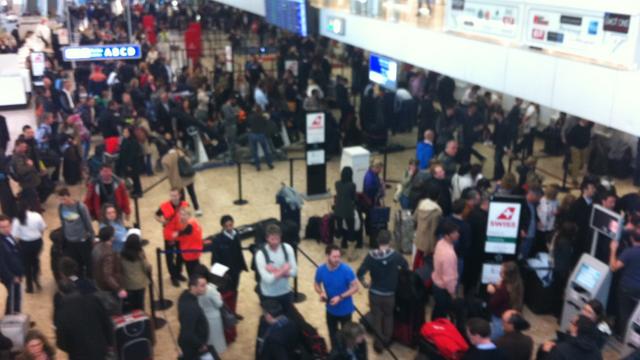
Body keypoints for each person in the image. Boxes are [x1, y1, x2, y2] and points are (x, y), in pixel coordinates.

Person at [357, 230, 408, 353]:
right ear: (390, 241)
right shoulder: (396, 256)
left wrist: (365, 284)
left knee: (377, 318)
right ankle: (387, 340)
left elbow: (360, 273)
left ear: (377, 241)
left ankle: (378, 343)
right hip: (390, 294)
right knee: (388, 316)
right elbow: (406, 266)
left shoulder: (371, 256)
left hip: (374, 293)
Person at [314, 244, 360, 350]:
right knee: (332, 335)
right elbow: (316, 284)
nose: (337, 259)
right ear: (327, 256)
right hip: (330, 310)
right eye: (334, 257)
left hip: (345, 310)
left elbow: (356, 287)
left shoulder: (346, 270)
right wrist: (321, 292)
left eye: (339, 256)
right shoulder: (321, 270)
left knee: (347, 337)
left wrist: (340, 297)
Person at [55, 286, 114, 360]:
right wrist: (110, 343)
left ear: (61, 294)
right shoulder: (93, 300)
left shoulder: (61, 314)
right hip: (101, 350)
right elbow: (107, 323)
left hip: (79, 356)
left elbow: (62, 344)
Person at [208, 215, 248, 319]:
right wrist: (223, 274)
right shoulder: (218, 240)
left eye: (231, 225)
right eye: (227, 226)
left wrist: (240, 267)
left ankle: (233, 312)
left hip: (236, 271)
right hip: (226, 274)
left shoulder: (236, 235)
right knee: (225, 294)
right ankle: (225, 314)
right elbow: (214, 260)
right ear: (223, 227)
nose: (229, 228)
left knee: (234, 291)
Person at [255, 224, 298, 313]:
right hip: (268, 295)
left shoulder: (287, 248)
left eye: (277, 239)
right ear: (267, 238)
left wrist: (274, 271)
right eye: (272, 239)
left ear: (281, 237)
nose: (275, 242)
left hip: (286, 292)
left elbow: (294, 272)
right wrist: (284, 270)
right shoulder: (260, 254)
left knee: (287, 321)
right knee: (272, 323)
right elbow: (268, 279)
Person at [178, 273, 217, 360]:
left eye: (206, 285)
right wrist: (200, 345)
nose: (206, 288)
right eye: (202, 286)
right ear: (193, 287)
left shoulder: (185, 295)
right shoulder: (191, 308)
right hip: (193, 347)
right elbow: (187, 334)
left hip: (192, 343)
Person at [58, 188, 95, 279]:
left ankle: (90, 280)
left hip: (82, 239)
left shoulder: (80, 207)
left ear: (69, 196)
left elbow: (88, 222)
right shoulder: (61, 207)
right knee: (75, 264)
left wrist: (91, 236)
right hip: (70, 241)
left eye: (64, 199)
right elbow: (63, 222)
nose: (63, 201)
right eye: (60, 199)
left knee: (87, 262)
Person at [155, 188, 190, 286]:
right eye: (171, 195)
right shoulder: (164, 206)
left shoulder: (184, 204)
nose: (173, 197)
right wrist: (162, 221)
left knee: (180, 255)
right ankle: (173, 276)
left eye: (175, 195)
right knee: (170, 257)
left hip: (181, 233)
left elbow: (188, 215)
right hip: (169, 234)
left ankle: (178, 273)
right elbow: (156, 215)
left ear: (179, 195)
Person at [609, 231, 640, 335]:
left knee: (624, 314)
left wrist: (613, 250)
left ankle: (623, 337)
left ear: (631, 238)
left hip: (626, 287)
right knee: (635, 317)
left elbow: (613, 267)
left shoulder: (628, 252)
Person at [11, 202, 46, 293]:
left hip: (24, 244)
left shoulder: (17, 219)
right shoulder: (37, 216)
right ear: (29, 206)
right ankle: (36, 278)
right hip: (37, 242)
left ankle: (29, 286)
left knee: (26, 265)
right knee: (35, 260)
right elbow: (42, 229)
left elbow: (14, 236)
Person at [486, 261, 524, 340]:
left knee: (495, 338)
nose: (499, 273)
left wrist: (493, 292)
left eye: (502, 272)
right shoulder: (518, 284)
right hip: (510, 316)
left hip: (499, 317)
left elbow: (492, 304)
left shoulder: (503, 289)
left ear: (507, 275)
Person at [195, 265, 227, 356]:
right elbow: (219, 304)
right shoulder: (210, 290)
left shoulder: (194, 287)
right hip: (213, 318)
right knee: (215, 342)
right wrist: (220, 298)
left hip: (202, 317)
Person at [431, 221, 460, 320]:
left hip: (436, 283)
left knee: (437, 311)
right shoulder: (449, 255)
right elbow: (449, 278)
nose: (458, 234)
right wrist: (453, 294)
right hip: (444, 289)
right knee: (442, 315)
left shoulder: (440, 243)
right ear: (447, 235)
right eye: (454, 233)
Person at [161, 147, 202, 216]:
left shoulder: (164, 160)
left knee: (181, 197)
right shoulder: (179, 153)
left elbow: (166, 173)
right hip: (187, 177)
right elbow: (188, 161)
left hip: (176, 181)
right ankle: (197, 209)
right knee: (192, 193)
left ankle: (183, 211)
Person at [92, 226, 127, 304]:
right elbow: (108, 275)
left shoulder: (96, 246)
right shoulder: (108, 254)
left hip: (99, 284)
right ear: (111, 237)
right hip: (108, 289)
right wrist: (119, 288)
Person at [413, 181, 442, 270]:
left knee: (417, 257)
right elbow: (434, 230)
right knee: (426, 264)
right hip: (429, 242)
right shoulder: (437, 211)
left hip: (419, 237)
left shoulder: (421, 203)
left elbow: (414, 218)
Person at [120, 232, 151, 313]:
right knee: (140, 305)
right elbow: (146, 267)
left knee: (131, 306)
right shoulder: (140, 254)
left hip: (128, 284)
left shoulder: (121, 255)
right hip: (140, 284)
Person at [569, 179, 597, 265]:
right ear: (585, 190)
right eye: (591, 188)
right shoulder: (577, 204)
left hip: (589, 238)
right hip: (579, 238)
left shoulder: (595, 204)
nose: (594, 190)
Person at [10, 139, 42, 212]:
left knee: (29, 199)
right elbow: (21, 171)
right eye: (23, 147)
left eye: (25, 147)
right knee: (32, 199)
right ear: (17, 147)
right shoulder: (17, 158)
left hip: (30, 182)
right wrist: (30, 165)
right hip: (27, 183)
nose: (25, 149)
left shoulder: (22, 155)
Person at [0, 215, 23, 314]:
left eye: (8, 226)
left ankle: (17, 318)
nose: (6, 229)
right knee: (13, 299)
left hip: (16, 273)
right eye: (2, 227)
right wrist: (12, 277)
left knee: (16, 297)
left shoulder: (9, 236)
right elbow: (1, 264)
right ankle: (11, 322)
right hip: (10, 276)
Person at [115, 126, 144, 197]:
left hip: (132, 164)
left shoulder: (133, 142)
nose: (124, 133)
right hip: (125, 163)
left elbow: (133, 154)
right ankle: (133, 190)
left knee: (135, 178)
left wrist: (129, 165)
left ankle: (138, 191)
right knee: (130, 178)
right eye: (124, 132)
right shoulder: (125, 140)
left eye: (126, 132)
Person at [176, 208, 204, 277]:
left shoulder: (189, 225)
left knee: (193, 274)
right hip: (193, 252)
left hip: (190, 254)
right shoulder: (193, 222)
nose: (182, 216)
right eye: (181, 214)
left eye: (184, 215)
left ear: (189, 215)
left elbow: (177, 235)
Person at [334, 167, 357, 249]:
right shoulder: (352, 185)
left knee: (339, 229)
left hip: (338, 209)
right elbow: (354, 198)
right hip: (348, 210)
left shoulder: (337, 183)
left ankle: (337, 249)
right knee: (351, 230)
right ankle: (350, 253)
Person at [247, 105, 274, 171]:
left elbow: (248, 124)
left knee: (255, 151)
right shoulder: (262, 117)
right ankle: (269, 164)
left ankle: (257, 166)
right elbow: (266, 124)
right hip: (261, 134)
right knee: (266, 150)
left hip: (253, 134)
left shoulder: (251, 116)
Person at [567, 119, 593, 186]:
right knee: (577, 162)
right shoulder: (576, 128)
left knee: (582, 162)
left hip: (583, 147)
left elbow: (588, 137)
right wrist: (571, 146)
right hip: (575, 147)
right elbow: (570, 138)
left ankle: (570, 167)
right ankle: (574, 180)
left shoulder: (588, 128)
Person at [519, 187, 542, 260]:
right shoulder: (522, 203)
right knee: (522, 254)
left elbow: (533, 214)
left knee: (526, 253)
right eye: (537, 197)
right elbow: (519, 218)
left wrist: (538, 220)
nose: (538, 199)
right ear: (532, 195)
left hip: (531, 234)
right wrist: (521, 229)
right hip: (525, 234)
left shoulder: (533, 204)